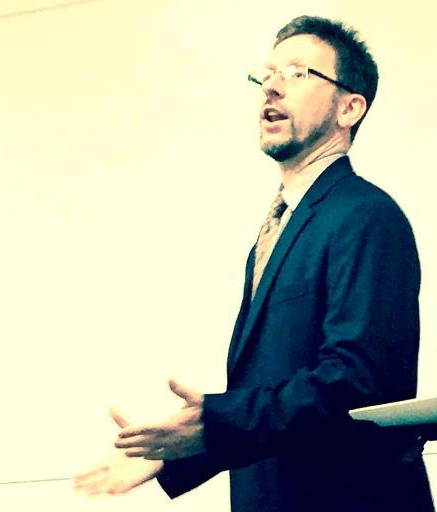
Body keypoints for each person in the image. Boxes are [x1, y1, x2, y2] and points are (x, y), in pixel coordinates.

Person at [75, 15, 435, 512]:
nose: (272, 86)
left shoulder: (367, 216)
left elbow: (358, 381)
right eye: (267, 74)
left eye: (298, 72)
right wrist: (176, 455)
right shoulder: (282, 224)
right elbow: (275, 400)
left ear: (349, 107)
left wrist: (214, 424)